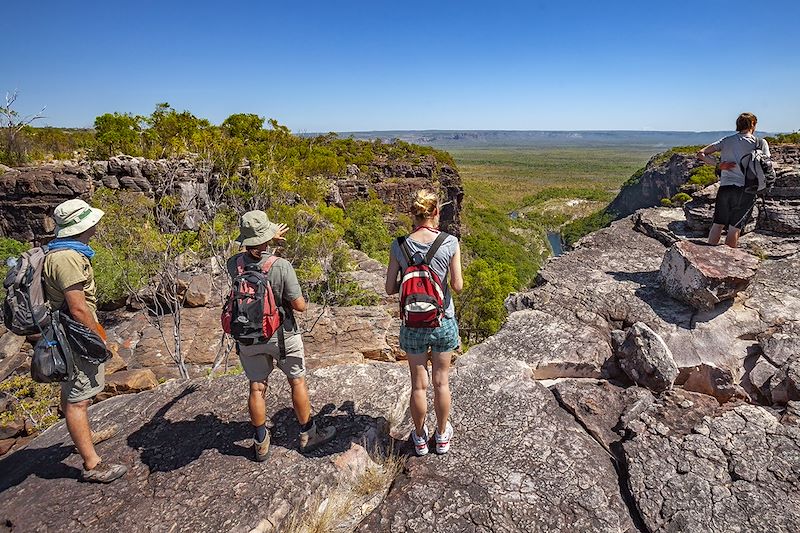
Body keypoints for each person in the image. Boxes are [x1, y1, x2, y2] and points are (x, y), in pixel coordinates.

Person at [226, 210, 336, 462]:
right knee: (296, 381)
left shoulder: (234, 264)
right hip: (281, 335)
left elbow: (251, 259)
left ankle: (261, 442)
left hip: (248, 337)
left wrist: (262, 241)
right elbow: (299, 306)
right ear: (267, 238)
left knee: (256, 386)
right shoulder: (281, 266)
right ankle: (308, 434)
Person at [44, 199, 127, 483]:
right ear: (84, 225)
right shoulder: (67, 258)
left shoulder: (64, 252)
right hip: (74, 336)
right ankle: (93, 465)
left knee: (76, 393)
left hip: (70, 332)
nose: (97, 224)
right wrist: (100, 337)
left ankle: (86, 438)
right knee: (77, 400)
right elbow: (78, 308)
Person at [385, 189, 463, 456]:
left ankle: (419, 439)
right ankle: (441, 436)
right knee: (441, 382)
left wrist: (412, 278)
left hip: (412, 325)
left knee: (418, 384)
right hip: (443, 321)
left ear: (413, 214)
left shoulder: (399, 245)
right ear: (435, 213)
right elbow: (458, 285)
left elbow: (389, 288)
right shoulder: (449, 242)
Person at [697, 112, 769, 248]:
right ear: (753, 124)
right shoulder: (760, 143)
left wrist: (718, 165)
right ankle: (728, 263)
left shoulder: (726, 141)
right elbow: (767, 165)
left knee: (717, 224)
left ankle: (708, 257)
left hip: (725, 188)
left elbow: (701, 153)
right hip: (746, 189)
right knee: (734, 228)